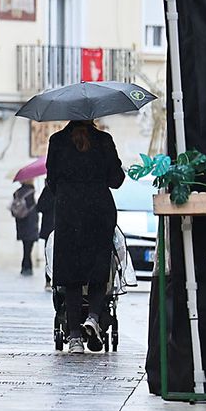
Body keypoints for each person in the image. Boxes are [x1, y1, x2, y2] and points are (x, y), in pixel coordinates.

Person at [45, 119, 124, 351]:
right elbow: (116, 180)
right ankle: (93, 317)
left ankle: (75, 337)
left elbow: (51, 181)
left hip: (68, 212)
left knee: (72, 275)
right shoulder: (104, 140)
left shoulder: (57, 141)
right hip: (99, 211)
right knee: (98, 269)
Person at [10, 180, 40, 277]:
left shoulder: (17, 193)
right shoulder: (31, 192)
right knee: (28, 247)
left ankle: (25, 267)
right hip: (30, 222)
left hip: (21, 223)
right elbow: (34, 207)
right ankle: (27, 267)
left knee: (25, 246)